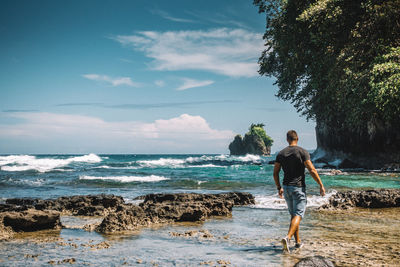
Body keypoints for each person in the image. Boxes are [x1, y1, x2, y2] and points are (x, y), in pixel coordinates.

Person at [273, 130, 325, 253]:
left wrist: (278, 187)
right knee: (299, 214)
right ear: (297, 138)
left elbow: (275, 173)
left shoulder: (281, 153)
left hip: (286, 188)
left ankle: (298, 243)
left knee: (294, 215)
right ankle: (288, 237)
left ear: (287, 139)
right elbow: (311, 169)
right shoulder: (302, 151)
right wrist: (321, 185)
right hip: (298, 188)